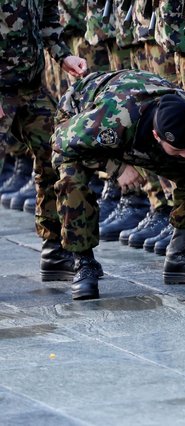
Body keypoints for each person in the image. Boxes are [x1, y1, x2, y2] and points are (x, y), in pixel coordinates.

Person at [51, 69, 185, 300]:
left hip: (135, 121)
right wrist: (117, 168)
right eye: (177, 150)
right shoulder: (111, 118)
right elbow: (61, 143)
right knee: (71, 179)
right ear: (157, 136)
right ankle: (83, 263)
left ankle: (180, 255)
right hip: (80, 115)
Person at [0, 0, 88, 282]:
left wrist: (63, 56)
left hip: (30, 87)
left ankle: (55, 249)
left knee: (56, 154)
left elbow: (48, 19)